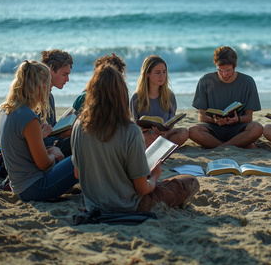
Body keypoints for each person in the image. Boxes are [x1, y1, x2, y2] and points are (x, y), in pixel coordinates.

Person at [71, 64, 200, 213]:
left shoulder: (79, 125)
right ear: (121, 93)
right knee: (190, 181)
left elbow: (77, 174)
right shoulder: (130, 130)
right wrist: (154, 176)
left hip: (94, 204)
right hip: (130, 205)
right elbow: (143, 189)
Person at [0, 60, 78, 201]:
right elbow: (44, 163)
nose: (48, 90)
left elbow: (23, 150)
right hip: (35, 188)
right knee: (82, 156)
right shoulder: (28, 117)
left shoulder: (8, 109)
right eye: (47, 84)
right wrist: (53, 154)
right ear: (39, 86)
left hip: (20, 186)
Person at [189, 46, 263, 149]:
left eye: (228, 70)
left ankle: (220, 146)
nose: (224, 75)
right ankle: (233, 145)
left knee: (257, 128)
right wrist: (215, 121)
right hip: (213, 129)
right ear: (215, 66)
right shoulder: (205, 81)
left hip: (237, 129)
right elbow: (202, 117)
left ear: (235, 65)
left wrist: (236, 120)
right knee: (193, 131)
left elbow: (248, 117)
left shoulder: (248, 82)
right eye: (220, 70)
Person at [130, 55, 189, 148]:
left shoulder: (170, 96)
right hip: (146, 136)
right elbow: (134, 125)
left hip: (164, 135)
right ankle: (164, 147)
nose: (162, 76)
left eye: (164, 72)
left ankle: (160, 147)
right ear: (147, 74)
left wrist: (164, 131)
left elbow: (170, 123)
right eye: (157, 73)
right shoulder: (136, 97)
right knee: (146, 138)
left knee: (183, 132)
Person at [40, 49, 73, 157]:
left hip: (48, 145)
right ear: (51, 71)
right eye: (64, 74)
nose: (67, 79)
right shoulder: (36, 98)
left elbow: (52, 129)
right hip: (42, 149)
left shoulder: (49, 96)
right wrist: (61, 134)